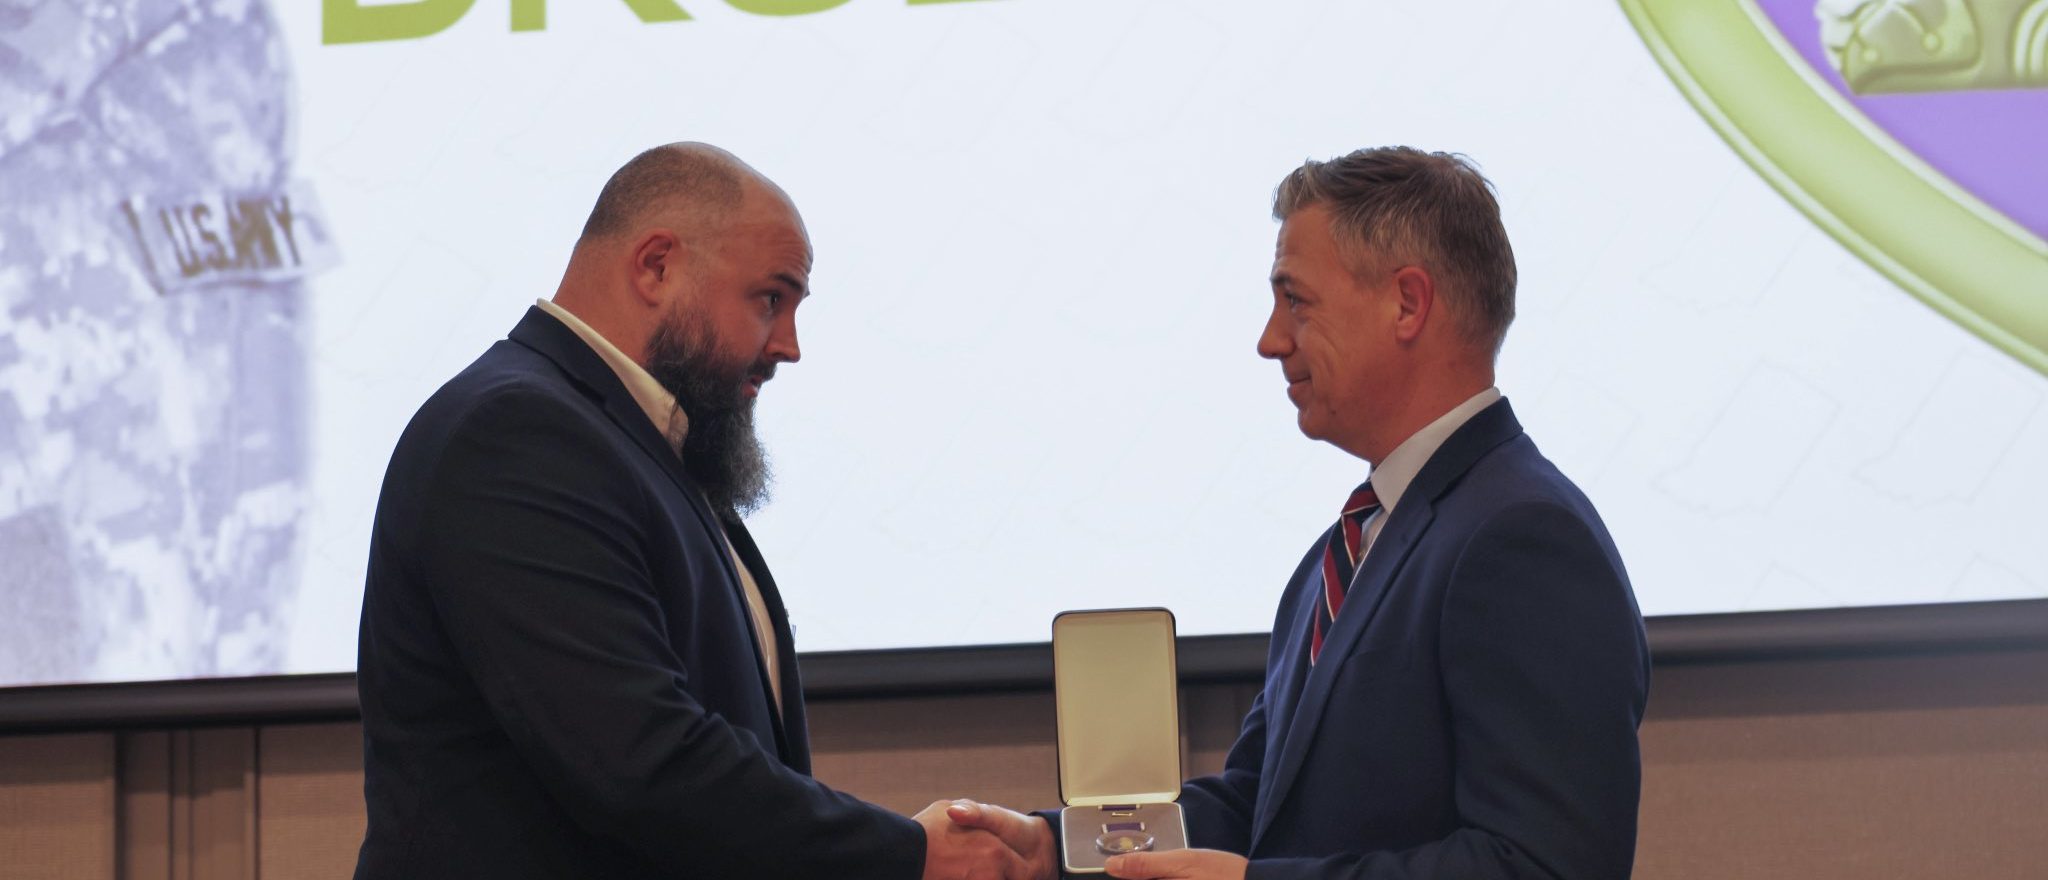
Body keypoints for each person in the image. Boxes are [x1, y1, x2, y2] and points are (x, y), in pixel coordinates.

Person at [353, 142, 1048, 880]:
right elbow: (638, 761)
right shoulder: (516, 435)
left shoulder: (644, 440)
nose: (789, 346)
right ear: (656, 265)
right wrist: (908, 854)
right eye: (769, 300)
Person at [953, 147, 1650, 879]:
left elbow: (1545, 867)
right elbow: (1261, 805)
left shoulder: (1523, 539)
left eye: (1296, 299)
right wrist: (1056, 853)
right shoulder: (1352, 543)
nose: (1270, 339)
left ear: (1408, 303)